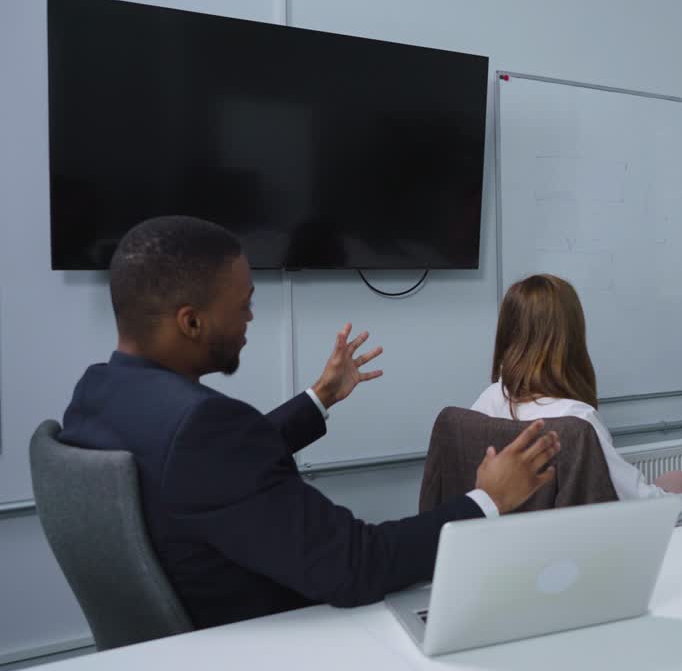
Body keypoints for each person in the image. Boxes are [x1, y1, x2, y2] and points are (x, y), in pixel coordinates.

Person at [61, 216, 559, 630]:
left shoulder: (99, 393)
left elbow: (201, 474)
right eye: (243, 305)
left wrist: (318, 399)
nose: (250, 318)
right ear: (192, 322)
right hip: (273, 638)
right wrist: (488, 500)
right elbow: (358, 566)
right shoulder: (204, 430)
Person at [471, 274, 682, 525]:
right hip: (590, 542)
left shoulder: (487, 400)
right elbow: (640, 504)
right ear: (570, 336)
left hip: (515, 541)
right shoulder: (576, 419)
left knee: (677, 478)